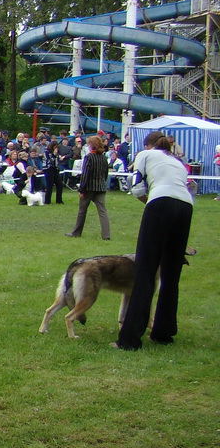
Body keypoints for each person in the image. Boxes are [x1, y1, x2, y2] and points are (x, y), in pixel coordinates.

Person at [113, 133, 194, 351]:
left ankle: (129, 339)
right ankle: (163, 333)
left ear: (148, 145)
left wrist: (150, 204)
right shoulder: (177, 162)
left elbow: (136, 187)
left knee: (145, 271)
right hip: (186, 206)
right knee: (171, 273)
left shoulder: (144, 155)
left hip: (160, 203)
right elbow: (187, 187)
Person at [65, 135, 110, 240]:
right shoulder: (103, 157)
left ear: (92, 146)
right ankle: (106, 235)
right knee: (102, 211)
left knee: (82, 210)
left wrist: (81, 189)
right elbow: (105, 173)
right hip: (101, 187)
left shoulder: (89, 157)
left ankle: (76, 232)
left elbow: (85, 175)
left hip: (89, 187)